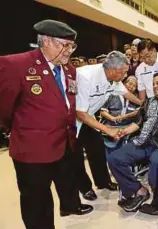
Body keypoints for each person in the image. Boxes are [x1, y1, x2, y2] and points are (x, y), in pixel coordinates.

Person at [0, 19, 93, 229]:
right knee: (37, 201)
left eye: (72, 46)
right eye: (65, 45)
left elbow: (68, 103)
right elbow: (4, 106)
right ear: (47, 41)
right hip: (32, 148)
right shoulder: (16, 64)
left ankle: (69, 206)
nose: (69, 51)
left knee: (65, 185)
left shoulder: (70, 70)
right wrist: (18, 128)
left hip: (64, 144)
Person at [107, 71, 158, 215]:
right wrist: (124, 132)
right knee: (115, 158)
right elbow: (138, 123)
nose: (155, 86)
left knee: (157, 162)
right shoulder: (148, 102)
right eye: (153, 84)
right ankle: (138, 190)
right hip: (144, 142)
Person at [75, 51, 141, 201]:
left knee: (97, 149)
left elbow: (126, 94)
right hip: (72, 120)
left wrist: (144, 104)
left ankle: (103, 182)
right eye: (123, 72)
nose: (125, 76)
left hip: (88, 117)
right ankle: (85, 188)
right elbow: (80, 113)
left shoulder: (113, 79)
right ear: (112, 70)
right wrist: (107, 129)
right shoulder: (86, 77)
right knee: (76, 157)